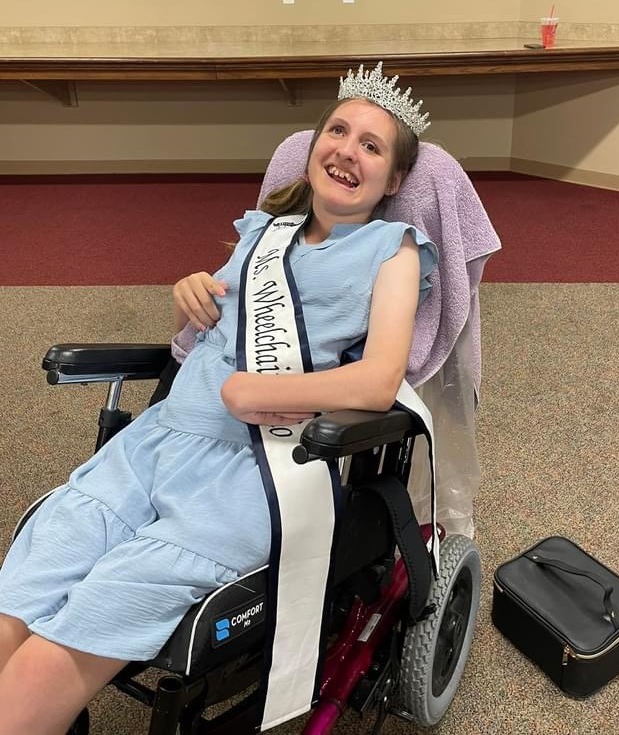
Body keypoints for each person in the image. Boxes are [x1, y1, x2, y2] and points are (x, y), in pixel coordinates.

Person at [0, 63, 437, 734]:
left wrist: (261, 390)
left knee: (72, 636)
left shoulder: (393, 250)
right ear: (314, 144)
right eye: (339, 131)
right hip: (155, 446)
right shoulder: (262, 231)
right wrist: (189, 291)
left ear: (395, 180)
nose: (348, 150)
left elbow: (379, 381)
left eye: (372, 146)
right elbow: (214, 330)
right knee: (22, 595)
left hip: (253, 474)